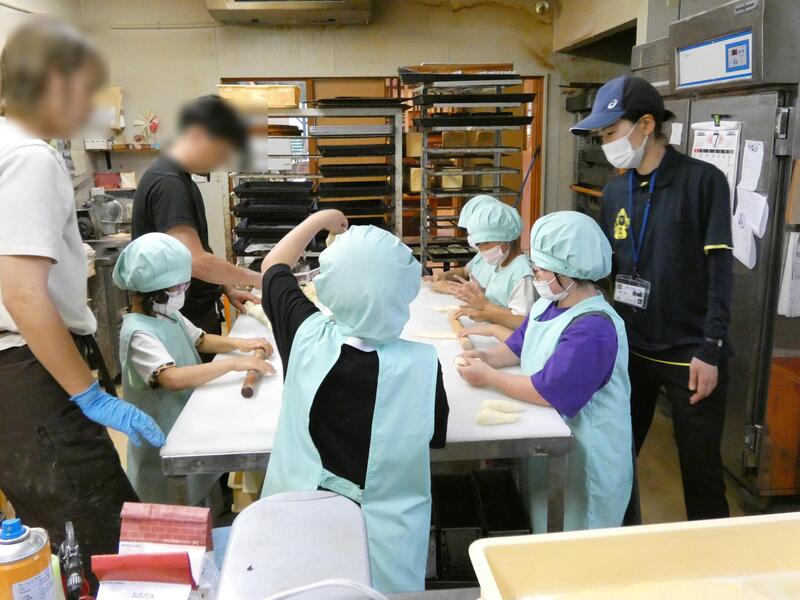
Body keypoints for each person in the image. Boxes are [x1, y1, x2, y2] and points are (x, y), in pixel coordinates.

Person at [0, 18, 164, 588]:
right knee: (97, 547)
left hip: (14, 375)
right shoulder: (30, 156)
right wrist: (88, 394)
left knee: (49, 541)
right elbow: (22, 292)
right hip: (28, 370)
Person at [259, 211, 450, 593]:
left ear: (328, 284)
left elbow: (273, 267)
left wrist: (321, 219)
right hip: (383, 557)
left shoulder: (305, 334)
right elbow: (434, 439)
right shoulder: (424, 366)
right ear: (404, 293)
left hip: (298, 531)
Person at [571, 75, 733, 521]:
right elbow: (605, 270)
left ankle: (713, 557)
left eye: (611, 133)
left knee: (701, 473)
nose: (607, 144)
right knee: (616, 463)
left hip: (690, 354)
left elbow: (720, 273)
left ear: (646, 125)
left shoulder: (704, 181)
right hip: (633, 350)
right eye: (602, 137)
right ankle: (621, 544)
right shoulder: (615, 191)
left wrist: (711, 348)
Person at [457, 211, 632, 532]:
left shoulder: (593, 327)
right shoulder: (547, 306)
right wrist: (487, 357)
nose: (535, 274)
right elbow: (518, 346)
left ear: (569, 271)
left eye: (540, 268)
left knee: (574, 539)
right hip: (551, 441)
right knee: (542, 520)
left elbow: (550, 391)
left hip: (585, 456)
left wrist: (490, 377)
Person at [113, 233, 275, 504]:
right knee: (171, 502)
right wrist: (233, 364)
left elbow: (200, 339)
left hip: (186, 420)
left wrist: (243, 344)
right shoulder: (138, 332)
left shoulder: (166, 313)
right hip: (162, 433)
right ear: (155, 289)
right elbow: (171, 378)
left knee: (199, 490)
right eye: (179, 286)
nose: (184, 291)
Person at [133, 95, 259, 362]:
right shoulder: (169, 184)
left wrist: (227, 287)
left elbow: (199, 249)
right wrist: (260, 279)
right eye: (221, 150)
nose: (221, 160)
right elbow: (195, 261)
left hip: (193, 317)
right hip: (179, 323)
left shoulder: (181, 178)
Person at [429, 196, 534, 330]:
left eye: (486, 242)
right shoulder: (501, 264)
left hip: (507, 338)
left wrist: (485, 309)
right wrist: (478, 293)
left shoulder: (522, 273)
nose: (482, 249)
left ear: (507, 237)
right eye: (479, 244)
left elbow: (522, 321)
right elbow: (499, 299)